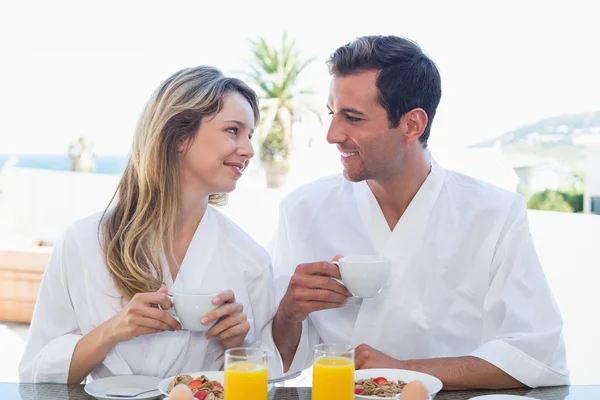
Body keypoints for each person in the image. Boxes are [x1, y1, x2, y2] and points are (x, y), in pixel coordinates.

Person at [270, 35, 569, 389]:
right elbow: (272, 359)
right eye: (333, 114)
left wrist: (403, 370)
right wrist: (289, 313)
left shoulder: (494, 214)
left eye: (352, 118)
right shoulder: (302, 210)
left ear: (412, 125)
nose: (332, 135)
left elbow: (538, 355)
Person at [19, 66, 281, 383]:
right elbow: (36, 375)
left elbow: (259, 383)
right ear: (180, 135)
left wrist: (237, 346)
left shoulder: (250, 259)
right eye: (232, 130)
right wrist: (113, 331)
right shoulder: (83, 242)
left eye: (250, 135)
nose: (250, 150)